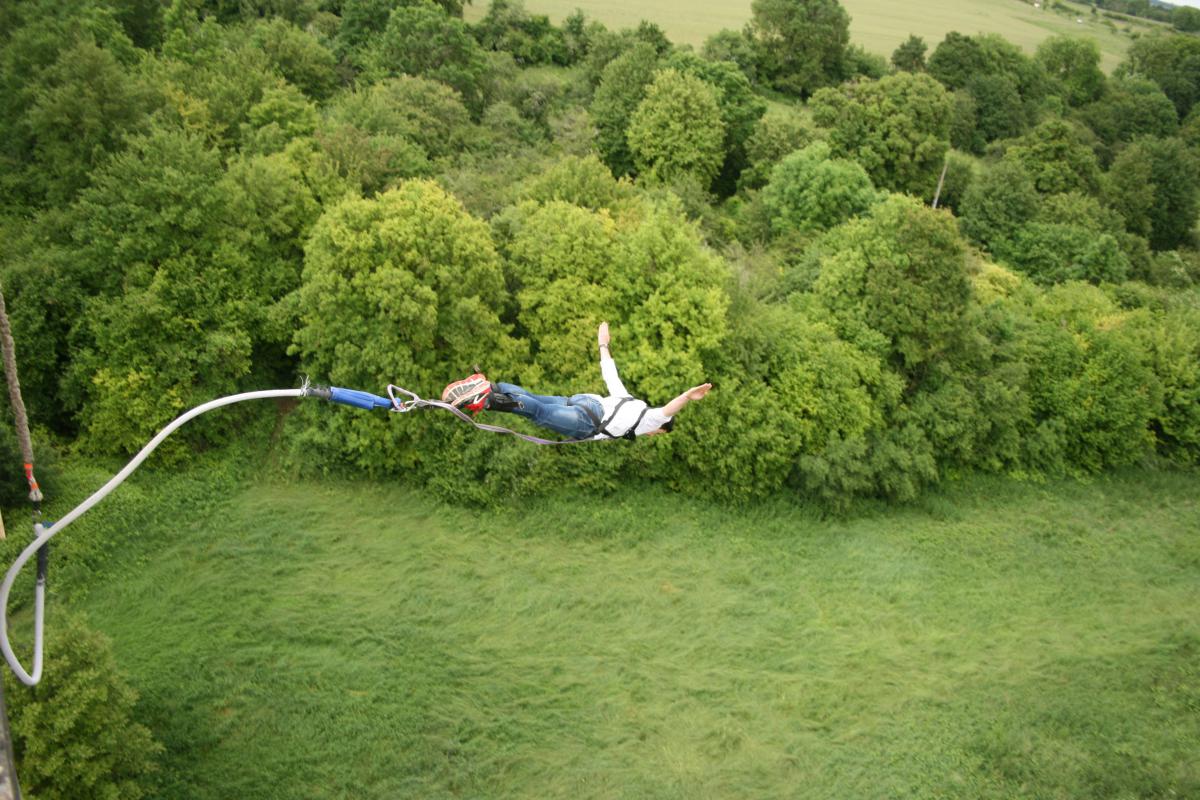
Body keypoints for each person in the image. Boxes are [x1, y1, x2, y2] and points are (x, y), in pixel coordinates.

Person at [440, 322, 712, 441]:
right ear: (660, 429)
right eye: (658, 433)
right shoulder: (650, 420)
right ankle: (486, 399)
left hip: (584, 401)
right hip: (587, 422)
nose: (653, 434)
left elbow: (611, 375)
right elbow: (668, 410)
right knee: (538, 412)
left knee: (534, 400)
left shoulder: (632, 402)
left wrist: (603, 345)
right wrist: (688, 395)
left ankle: (491, 387)